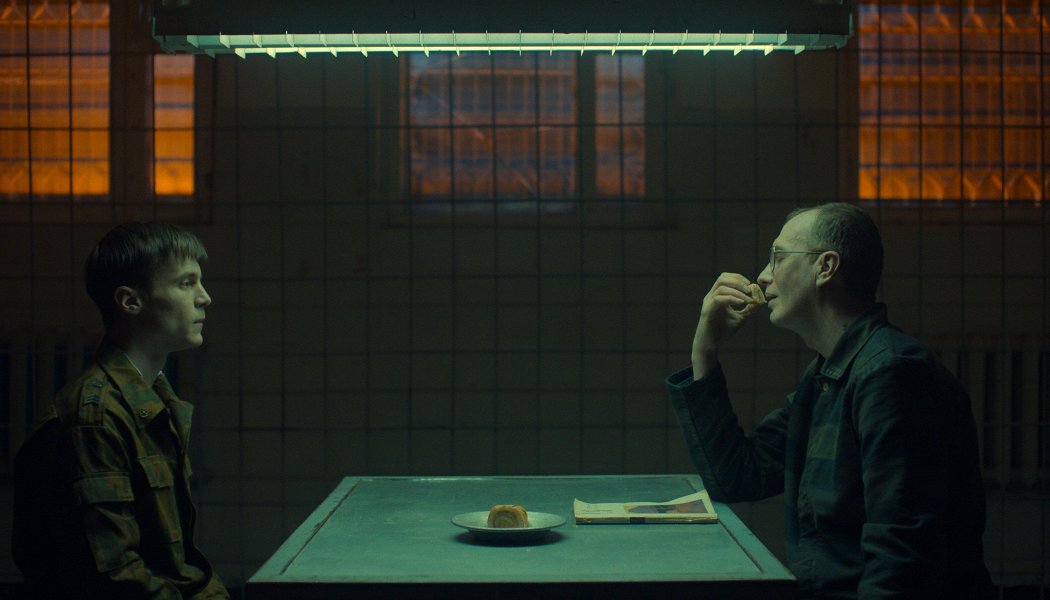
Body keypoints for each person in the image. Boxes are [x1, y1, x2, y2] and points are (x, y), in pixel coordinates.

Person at [665, 203, 993, 598]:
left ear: (825, 267)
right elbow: (737, 475)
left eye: (778, 257)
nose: (763, 275)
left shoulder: (892, 373)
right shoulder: (828, 376)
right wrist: (704, 350)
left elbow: (902, 558)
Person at [12, 222, 228, 599]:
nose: (204, 298)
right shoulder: (95, 418)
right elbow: (116, 577)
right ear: (130, 302)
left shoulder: (155, 400)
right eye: (185, 283)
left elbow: (174, 565)